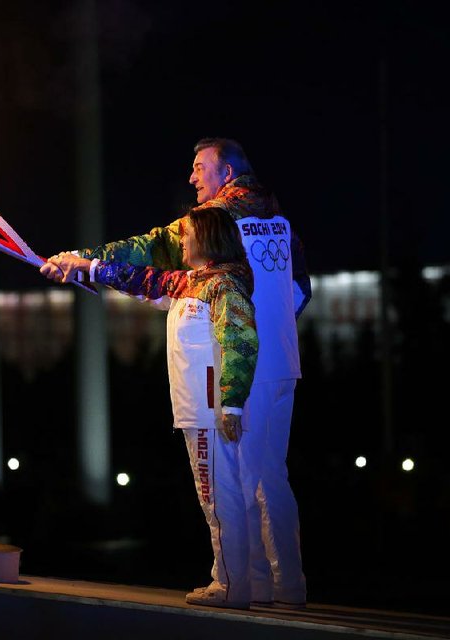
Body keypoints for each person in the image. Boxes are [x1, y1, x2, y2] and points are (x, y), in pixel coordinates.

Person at [47, 138, 310, 609]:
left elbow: (148, 252)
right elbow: (300, 291)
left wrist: (83, 259)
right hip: (279, 364)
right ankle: (284, 583)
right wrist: (270, 333)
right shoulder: (279, 220)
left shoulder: (212, 222)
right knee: (270, 476)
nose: (192, 178)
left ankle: (238, 583)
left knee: (231, 479)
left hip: (234, 369)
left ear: (226, 172)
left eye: (199, 167)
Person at [42, 207, 259, 608]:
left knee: (218, 496)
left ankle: (231, 585)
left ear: (208, 239)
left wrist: (231, 405)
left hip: (212, 414)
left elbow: (241, 342)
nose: (181, 241)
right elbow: (140, 279)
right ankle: (237, 581)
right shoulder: (191, 283)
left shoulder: (224, 286)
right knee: (218, 496)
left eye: (188, 234)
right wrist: (83, 265)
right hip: (199, 412)